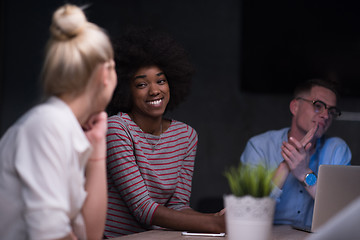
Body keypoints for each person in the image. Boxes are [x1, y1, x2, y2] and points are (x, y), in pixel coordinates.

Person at [0, 4, 117, 240]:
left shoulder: (63, 126)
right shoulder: (47, 126)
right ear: (105, 74)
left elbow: (91, 235)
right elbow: (51, 235)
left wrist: (97, 147)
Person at [104, 27, 225, 237]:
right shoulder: (117, 128)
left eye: (161, 81)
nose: (154, 90)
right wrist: (214, 224)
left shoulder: (186, 136)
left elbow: (178, 206)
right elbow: (143, 209)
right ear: (124, 89)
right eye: (142, 84)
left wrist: (217, 218)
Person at [240, 78, 351, 227]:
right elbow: (247, 213)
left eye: (331, 111)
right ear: (295, 107)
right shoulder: (259, 146)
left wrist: (304, 174)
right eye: (318, 106)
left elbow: (342, 214)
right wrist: (285, 166)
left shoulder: (337, 149)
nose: (326, 115)